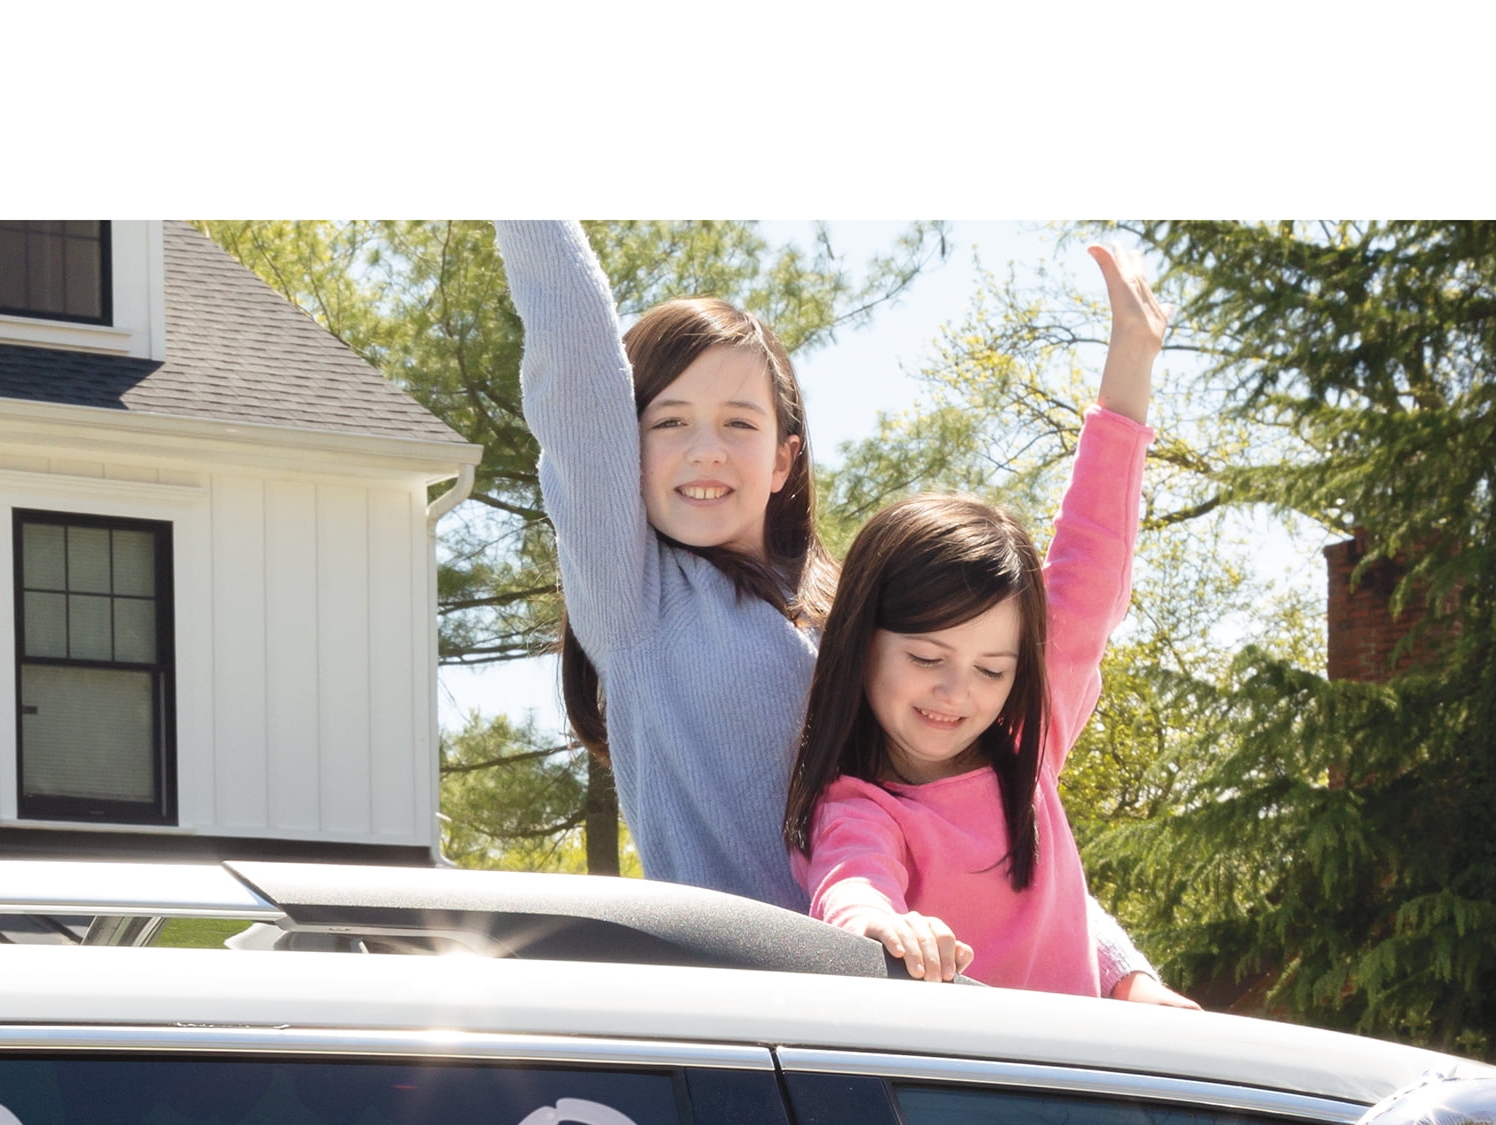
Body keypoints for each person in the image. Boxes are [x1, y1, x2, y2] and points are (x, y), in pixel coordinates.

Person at [495, 220, 1183, 1002]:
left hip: (920, 1016)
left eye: (739, 422)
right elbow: (576, 363)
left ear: (786, 457)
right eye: (670, 420)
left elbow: (993, 811)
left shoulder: (861, 608)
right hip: (768, 1018)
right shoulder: (636, 598)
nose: (705, 448)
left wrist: (1121, 970)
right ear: (626, 446)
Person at [788, 246, 1198, 1005]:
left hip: (1085, 1096)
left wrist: (1133, 358)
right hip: (972, 1104)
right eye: (926, 655)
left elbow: (1092, 569)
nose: (956, 691)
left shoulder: (1024, 745)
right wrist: (881, 924)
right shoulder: (859, 806)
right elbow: (849, 885)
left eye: (992, 669)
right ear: (861, 642)